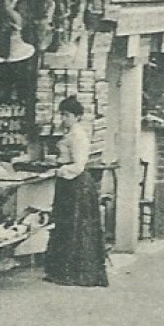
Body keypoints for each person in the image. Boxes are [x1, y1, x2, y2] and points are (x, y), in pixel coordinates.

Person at [44, 96, 109, 287]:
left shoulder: (78, 135)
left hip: (76, 184)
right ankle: (61, 270)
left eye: (67, 115)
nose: (63, 119)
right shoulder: (70, 133)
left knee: (75, 227)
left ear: (77, 116)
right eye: (62, 115)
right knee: (64, 225)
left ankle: (75, 273)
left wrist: (59, 170)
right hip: (67, 184)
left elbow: (79, 165)